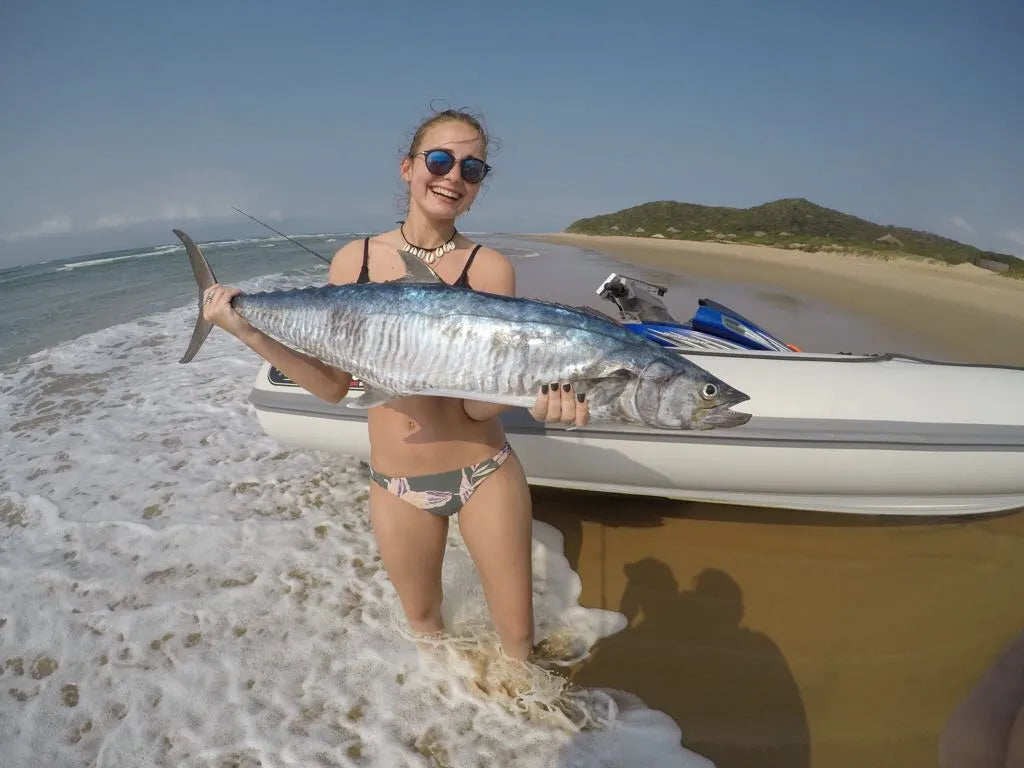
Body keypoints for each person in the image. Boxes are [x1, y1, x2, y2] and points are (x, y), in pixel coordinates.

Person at [200, 108, 588, 661]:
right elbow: (334, 387)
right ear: (408, 168)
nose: (452, 175)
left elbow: (478, 410)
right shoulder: (353, 260)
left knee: (518, 644)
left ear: (476, 189)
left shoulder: (488, 267)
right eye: (439, 160)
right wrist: (243, 329)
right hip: (396, 486)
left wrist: (537, 394)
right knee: (425, 630)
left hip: (484, 472)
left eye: (471, 169)